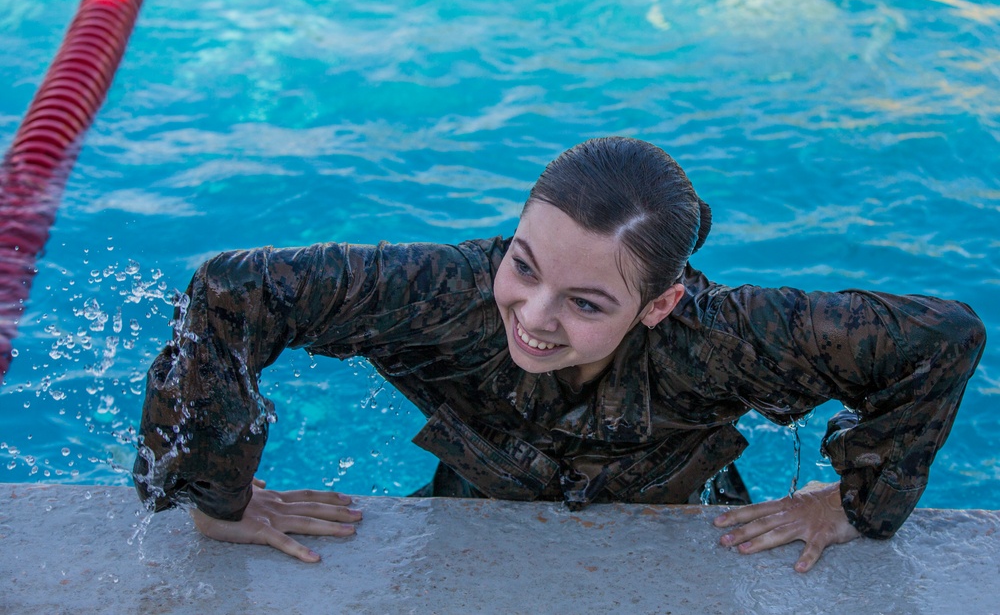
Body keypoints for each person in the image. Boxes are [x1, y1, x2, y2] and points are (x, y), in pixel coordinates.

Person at [133, 137, 986, 572]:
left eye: (586, 303)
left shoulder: (727, 340)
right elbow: (228, 292)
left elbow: (942, 338)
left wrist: (858, 501)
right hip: (476, 511)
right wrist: (219, 490)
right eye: (524, 266)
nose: (531, 318)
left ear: (660, 303)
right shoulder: (439, 293)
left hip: (688, 530)